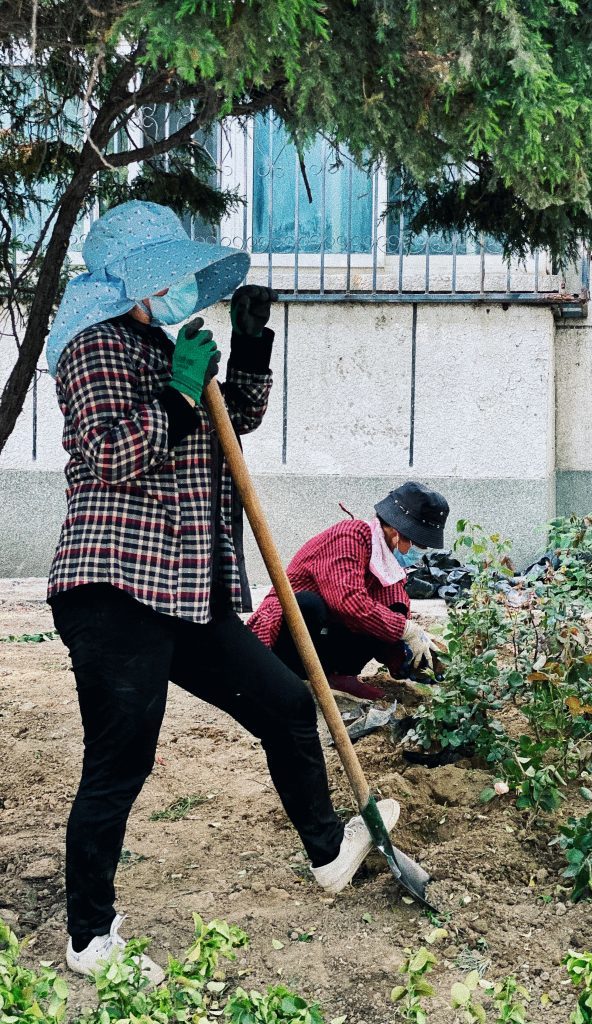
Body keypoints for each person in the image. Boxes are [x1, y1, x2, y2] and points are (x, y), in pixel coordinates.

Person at [45, 201, 399, 984]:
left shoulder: (163, 343)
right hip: (114, 587)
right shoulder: (94, 347)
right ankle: (88, 939)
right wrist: (176, 394)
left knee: (281, 701)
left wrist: (250, 346)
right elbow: (109, 456)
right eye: (168, 272)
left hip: (185, 585)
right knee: (120, 760)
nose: (182, 285)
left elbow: (232, 423)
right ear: (132, 277)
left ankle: (328, 850)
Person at [247, 481, 450, 697]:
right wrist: (405, 630)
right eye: (415, 543)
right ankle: (293, 677)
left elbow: (392, 617)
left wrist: (406, 658)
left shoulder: (388, 564)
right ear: (396, 531)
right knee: (308, 605)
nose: (417, 551)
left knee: (392, 609)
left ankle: (341, 676)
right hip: (287, 635)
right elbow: (348, 603)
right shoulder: (351, 536)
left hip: (327, 638)